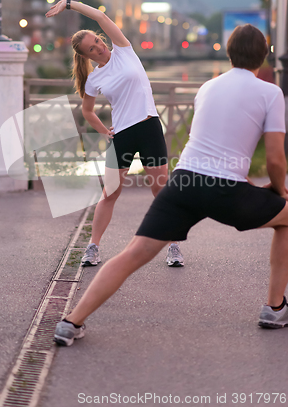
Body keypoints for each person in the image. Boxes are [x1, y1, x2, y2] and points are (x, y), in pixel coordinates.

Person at [53, 24, 288, 347]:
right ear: (264, 57)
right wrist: (278, 191)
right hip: (227, 190)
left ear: (229, 53)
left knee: (133, 253)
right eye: (92, 47)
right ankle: (274, 308)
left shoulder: (208, 87)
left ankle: (70, 322)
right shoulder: (271, 93)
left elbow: (212, 144)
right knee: (285, 218)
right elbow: (275, 160)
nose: (99, 48)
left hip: (184, 183)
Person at [45, 0, 184, 268]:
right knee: (109, 194)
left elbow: (99, 15)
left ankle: (174, 245)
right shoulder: (94, 78)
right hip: (122, 135)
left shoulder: (124, 50)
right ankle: (92, 247)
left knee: (161, 190)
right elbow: (87, 111)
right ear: (85, 56)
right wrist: (104, 130)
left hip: (149, 126)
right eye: (90, 50)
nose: (97, 48)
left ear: (100, 38)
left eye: (96, 42)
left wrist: (70, 4)